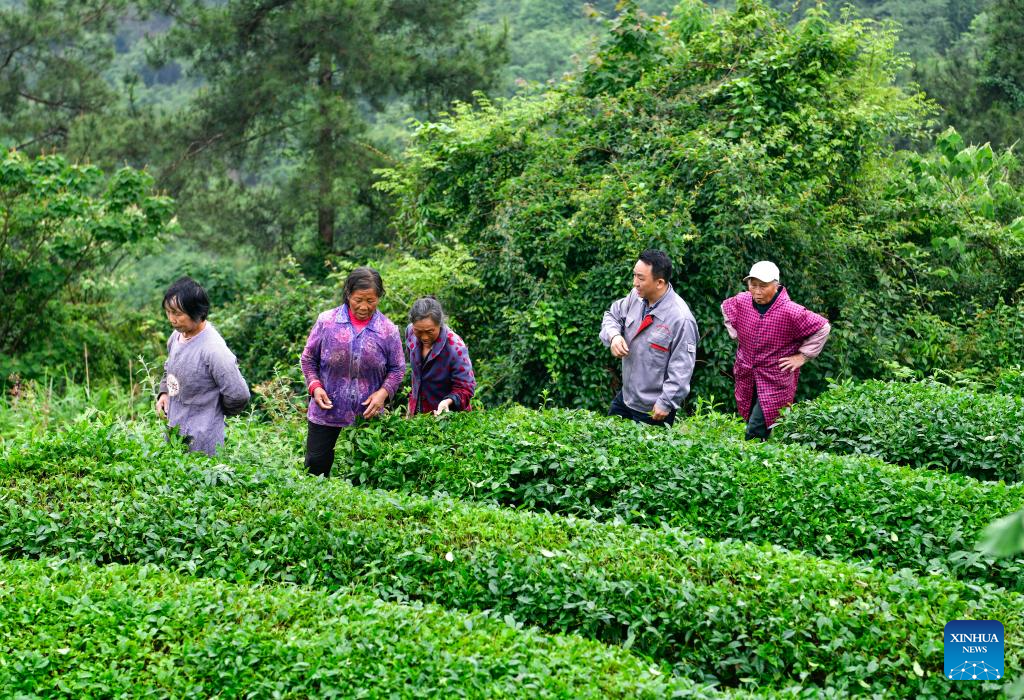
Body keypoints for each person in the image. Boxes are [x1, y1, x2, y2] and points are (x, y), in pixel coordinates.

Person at [300, 266, 405, 476]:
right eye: (358, 300)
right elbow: (308, 358)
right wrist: (315, 387)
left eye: (371, 300)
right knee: (315, 467)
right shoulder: (327, 322)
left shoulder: (388, 330)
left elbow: (397, 368)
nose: (364, 306)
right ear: (348, 294)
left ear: (379, 297)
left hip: (367, 415)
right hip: (326, 410)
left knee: (366, 474)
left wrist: (383, 394)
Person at [721, 260, 831, 440]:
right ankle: (763, 452)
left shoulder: (791, 311)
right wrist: (737, 333)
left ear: (776, 286)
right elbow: (726, 307)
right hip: (747, 373)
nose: (757, 291)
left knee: (755, 429)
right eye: (753, 285)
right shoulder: (742, 301)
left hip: (775, 379)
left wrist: (802, 356)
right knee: (751, 418)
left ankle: (750, 454)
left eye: (763, 286)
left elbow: (823, 328)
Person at [599, 249, 699, 427]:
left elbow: (682, 367)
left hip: (653, 409)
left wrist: (666, 402)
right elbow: (612, 315)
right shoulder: (635, 297)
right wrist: (614, 336)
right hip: (626, 398)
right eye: (634, 275)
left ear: (659, 282)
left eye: (641, 278)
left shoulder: (681, 319)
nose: (634, 283)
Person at [156, 276, 250, 456]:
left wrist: (213, 411)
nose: (172, 319)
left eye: (177, 313)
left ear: (197, 313)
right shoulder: (176, 336)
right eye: (168, 312)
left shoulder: (213, 349)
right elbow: (169, 367)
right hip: (174, 435)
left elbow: (239, 394)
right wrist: (164, 393)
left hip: (203, 444)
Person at [405, 296, 476, 417]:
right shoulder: (410, 332)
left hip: (446, 416)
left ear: (440, 324)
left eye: (430, 331)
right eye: (419, 331)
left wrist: (447, 402)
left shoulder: (455, 347)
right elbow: (417, 376)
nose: (424, 337)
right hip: (418, 413)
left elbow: (466, 388)